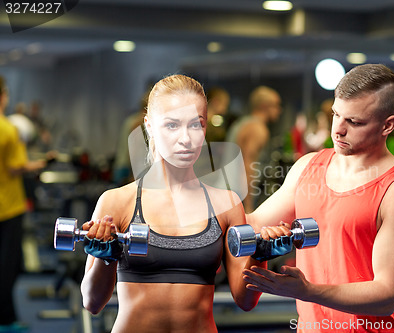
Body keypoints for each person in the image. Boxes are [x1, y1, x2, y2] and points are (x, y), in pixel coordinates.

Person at [242, 64, 394, 332]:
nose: (339, 130)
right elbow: (252, 223)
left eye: (354, 122)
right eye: (336, 115)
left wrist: (308, 291)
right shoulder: (308, 166)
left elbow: (386, 296)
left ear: (387, 125)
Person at [80, 74, 271, 333]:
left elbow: (245, 300)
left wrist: (261, 255)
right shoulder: (117, 202)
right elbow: (92, 302)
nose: (186, 138)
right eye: (172, 125)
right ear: (149, 126)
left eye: (196, 125)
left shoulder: (226, 204)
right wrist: (106, 258)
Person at [0, 76, 47, 332]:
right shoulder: (8, 129)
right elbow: (16, 166)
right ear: (3, 96)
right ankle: (6, 319)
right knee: (9, 265)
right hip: (8, 207)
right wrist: (41, 163)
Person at [226, 86, 282, 212]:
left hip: (231, 194)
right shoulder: (257, 129)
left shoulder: (243, 123)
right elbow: (247, 167)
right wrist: (248, 207)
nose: (279, 110)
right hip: (236, 197)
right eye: (276, 105)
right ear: (264, 106)